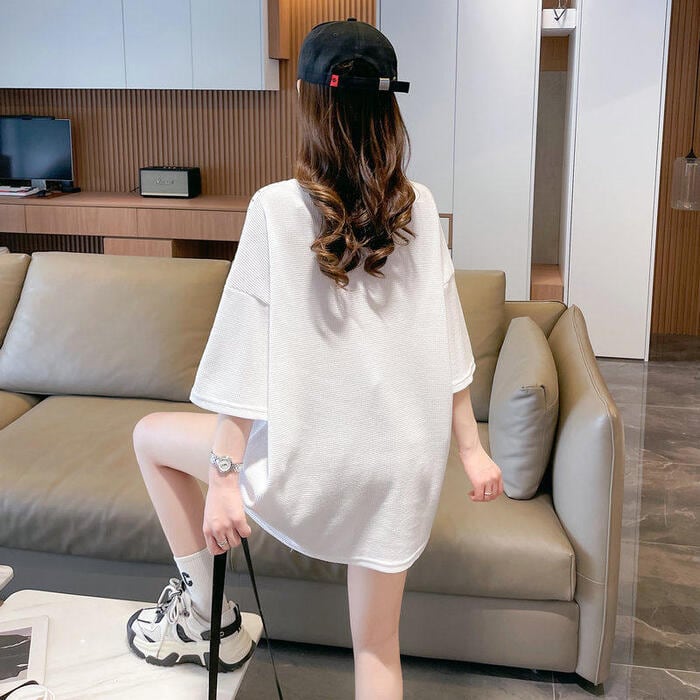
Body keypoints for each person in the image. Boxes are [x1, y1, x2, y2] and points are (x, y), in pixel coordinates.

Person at [125, 17, 503, 700]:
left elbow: (244, 355)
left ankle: (206, 616)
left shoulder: (275, 208)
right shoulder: (419, 207)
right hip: (403, 467)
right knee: (378, 648)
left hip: (314, 461)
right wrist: (472, 452)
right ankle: (206, 618)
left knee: (150, 436)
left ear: (308, 101)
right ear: (391, 107)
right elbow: (448, 339)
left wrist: (223, 478)